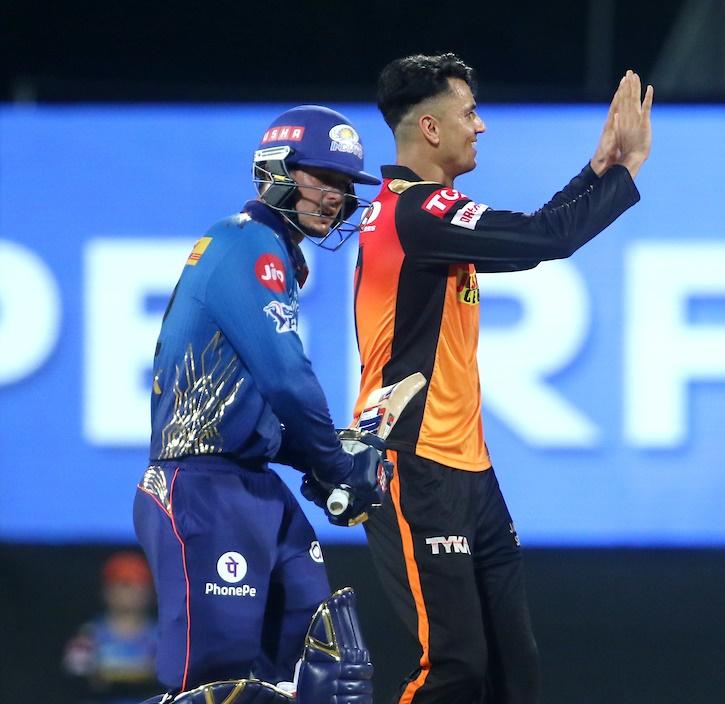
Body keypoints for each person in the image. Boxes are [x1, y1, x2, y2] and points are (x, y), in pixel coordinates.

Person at [353, 53, 652, 703]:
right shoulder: (416, 214)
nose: (480, 127)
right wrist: (623, 170)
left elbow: (533, 236)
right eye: (469, 113)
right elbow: (547, 239)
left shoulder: (427, 213)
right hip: (417, 463)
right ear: (430, 130)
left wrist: (598, 168)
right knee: (453, 669)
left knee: (512, 671)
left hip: (468, 471)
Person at [132, 105, 391, 703]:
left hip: (251, 486)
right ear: (277, 171)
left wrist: (324, 461)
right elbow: (288, 381)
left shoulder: (271, 254)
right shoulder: (247, 245)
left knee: (322, 676)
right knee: (215, 686)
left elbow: (267, 412)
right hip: (200, 487)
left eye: (345, 186)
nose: (336, 198)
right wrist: (336, 466)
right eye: (322, 178)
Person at [63, 551, 159, 704]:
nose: (133, 592)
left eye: (140, 585)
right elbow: (77, 672)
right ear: (107, 590)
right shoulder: (89, 634)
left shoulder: (160, 636)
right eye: (125, 585)